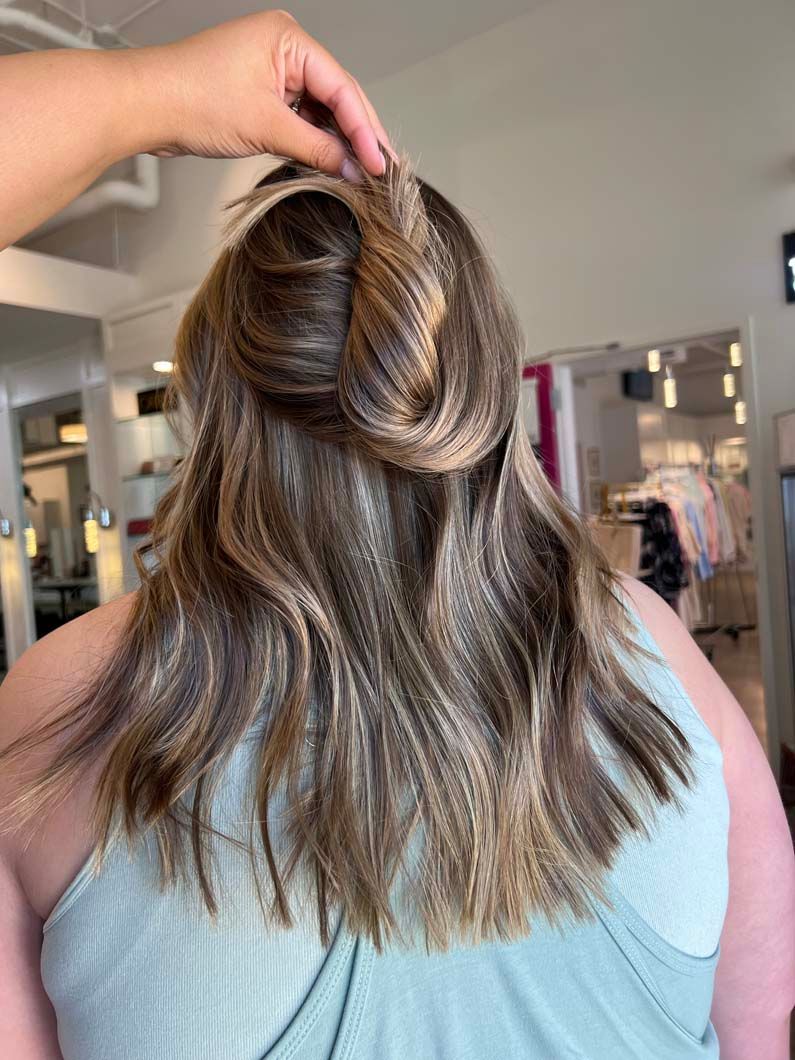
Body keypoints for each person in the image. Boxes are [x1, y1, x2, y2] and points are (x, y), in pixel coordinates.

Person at [0, 11, 792, 1060]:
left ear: (215, 411)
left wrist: (143, 95)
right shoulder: (672, 674)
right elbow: (757, 1037)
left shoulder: (58, 723)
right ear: (482, 389)